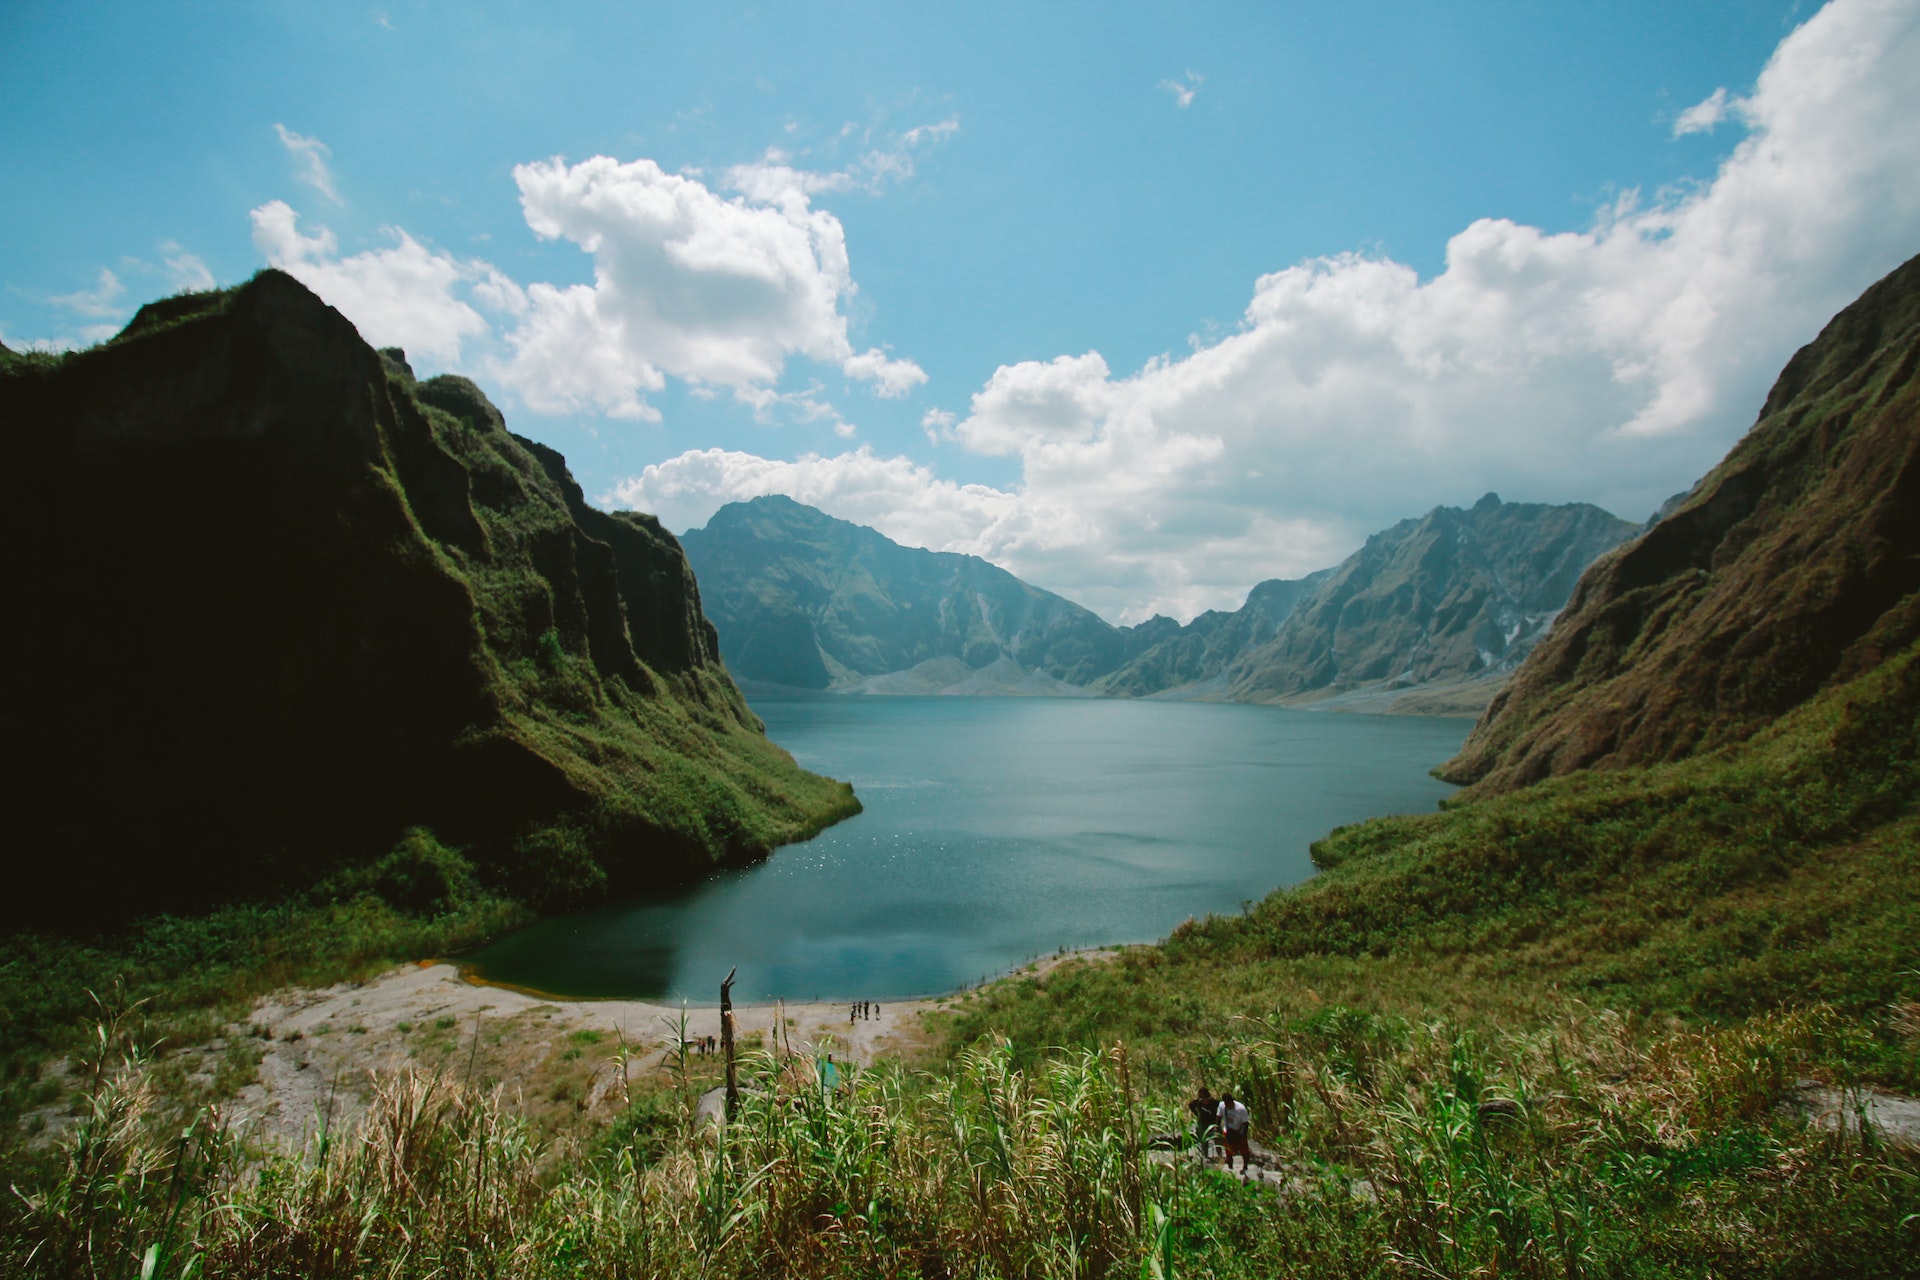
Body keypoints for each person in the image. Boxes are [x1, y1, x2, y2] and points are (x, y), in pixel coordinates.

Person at [1217, 1093, 1252, 1173]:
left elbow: (1245, 1123)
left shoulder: (1240, 1109)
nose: (1228, 1106)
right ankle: (1230, 1167)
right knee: (1228, 1150)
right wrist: (1217, 1129)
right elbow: (1218, 1118)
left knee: (1244, 1150)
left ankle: (1245, 1166)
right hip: (1228, 1130)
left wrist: (1242, 1135)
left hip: (1239, 1131)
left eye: (1229, 1103)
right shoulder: (1222, 1106)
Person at [1186, 1085, 1218, 1155]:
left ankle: (1220, 1154)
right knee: (1203, 1140)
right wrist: (1196, 1113)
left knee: (1217, 1138)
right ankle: (1205, 1155)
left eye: (1203, 1097)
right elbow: (1190, 1105)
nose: (1203, 1100)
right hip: (1203, 1122)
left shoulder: (1214, 1102)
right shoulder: (1197, 1102)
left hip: (1213, 1122)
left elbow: (1220, 1109)